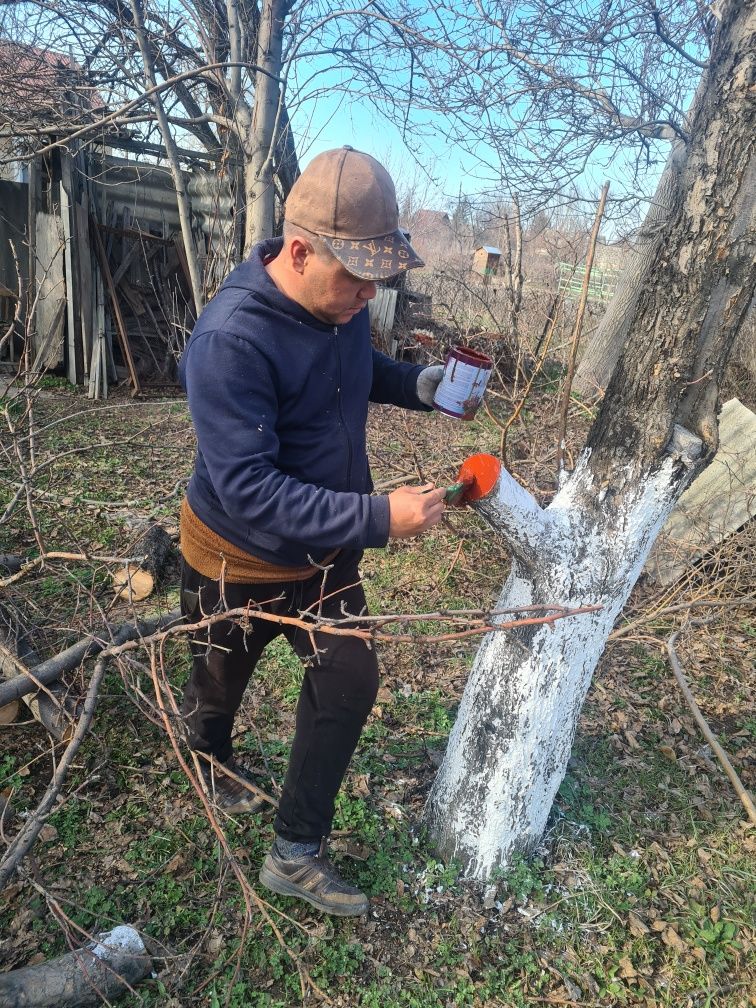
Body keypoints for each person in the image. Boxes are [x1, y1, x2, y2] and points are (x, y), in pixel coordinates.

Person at [178, 146, 446, 917]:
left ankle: (295, 850)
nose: (368, 295)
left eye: (378, 279)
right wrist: (378, 517)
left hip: (323, 553)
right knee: (216, 687)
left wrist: (418, 385)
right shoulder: (231, 341)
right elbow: (252, 491)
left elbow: (356, 366)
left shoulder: (341, 310)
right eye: (356, 278)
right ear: (299, 252)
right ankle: (212, 758)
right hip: (235, 556)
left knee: (350, 681)